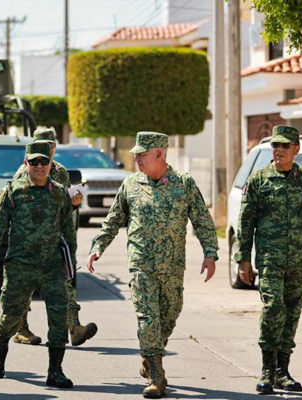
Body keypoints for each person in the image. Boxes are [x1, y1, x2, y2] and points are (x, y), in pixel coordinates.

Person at [86, 131, 218, 399]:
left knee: (169, 316)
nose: (136, 159)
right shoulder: (131, 185)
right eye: (135, 154)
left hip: (172, 266)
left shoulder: (184, 184)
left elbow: (202, 221)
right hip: (141, 265)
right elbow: (113, 220)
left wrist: (210, 253)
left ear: (159, 154)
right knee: (148, 320)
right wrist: (98, 246)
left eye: (141, 154)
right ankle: (158, 377)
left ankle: (149, 357)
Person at [235, 125, 302, 394]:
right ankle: (266, 370)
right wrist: (243, 259)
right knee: (273, 309)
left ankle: (282, 371)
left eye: (285, 146)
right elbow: (245, 222)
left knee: (292, 314)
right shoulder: (259, 180)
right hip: (271, 259)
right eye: (275, 145)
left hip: (299, 260)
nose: (279, 150)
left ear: (296, 149)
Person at [0, 141, 77, 389]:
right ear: (26, 164)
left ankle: (55, 371)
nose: (38, 166)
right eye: (33, 162)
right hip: (20, 265)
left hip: (52, 266)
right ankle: (0, 350)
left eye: (43, 162)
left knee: (58, 317)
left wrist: (71, 265)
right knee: (11, 315)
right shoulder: (13, 191)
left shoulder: (59, 192)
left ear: (50, 165)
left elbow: (68, 229)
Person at [10, 127, 96, 348]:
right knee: (25, 287)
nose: (47, 148)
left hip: (60, 238)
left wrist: (74, 203)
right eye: (42, 144)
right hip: (32, 241)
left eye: (50, 144)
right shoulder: (23, 173)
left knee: (65, 282)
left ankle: (74, 328)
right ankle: (20, 328)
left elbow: (63, 205)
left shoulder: (60, 170)